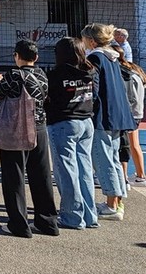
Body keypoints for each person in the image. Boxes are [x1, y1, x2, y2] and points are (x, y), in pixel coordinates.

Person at [0, 40, 59, 238]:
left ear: (16, 56)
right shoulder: (42, 74)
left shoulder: (13, 75)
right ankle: (47, 222)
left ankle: (19, 224)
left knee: (14, 176)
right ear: (36, 57)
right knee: (41, 175)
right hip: (39, 127)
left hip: (17, 129)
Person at [82, 23, 136, 220]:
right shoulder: (112, 56)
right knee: (113, 158)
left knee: (103, 159)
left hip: (103, 115)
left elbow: (93, 88)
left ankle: (111, 204)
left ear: (91, 41)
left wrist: (87, 108)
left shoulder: (95, 57)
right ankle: (116, 200)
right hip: (117, 114)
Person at [45, 37, 97, 229]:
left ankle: (72, 216)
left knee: (66, 171)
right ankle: (89, 215)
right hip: (86, 121)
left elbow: (47, 98)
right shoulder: (89, 70)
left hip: (63, 122)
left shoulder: (56, 74)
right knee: (84, 170)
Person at [116, 48, 145, 186]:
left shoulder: (124, 73)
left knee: (125, 145)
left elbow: (128, 95)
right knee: (134, 144)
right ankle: (140, 175)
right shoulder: (135, 70)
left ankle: (125, 177)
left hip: (130, 113)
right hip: (137, 112)